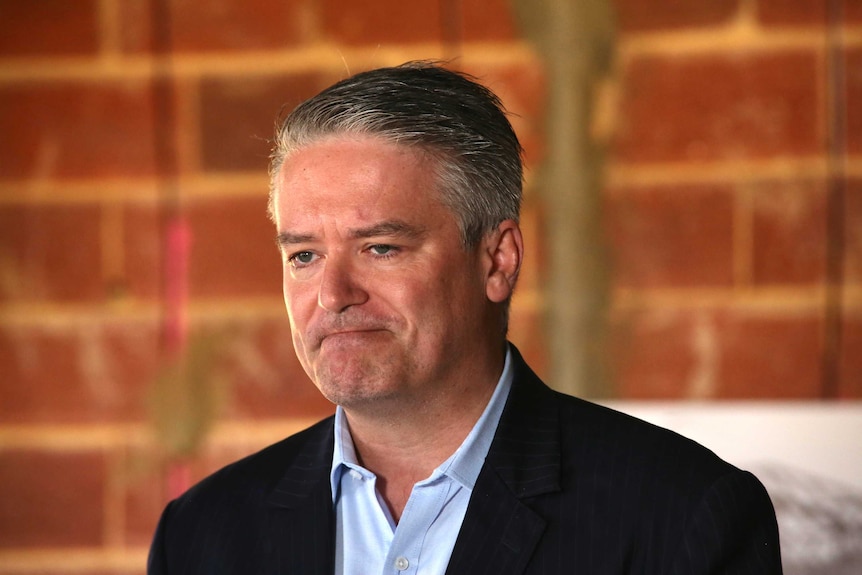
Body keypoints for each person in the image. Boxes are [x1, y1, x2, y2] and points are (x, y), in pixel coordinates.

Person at [148, 62, 782, 574]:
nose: (332, 293)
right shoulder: (203, 535)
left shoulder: (681, 516)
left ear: (497, 260)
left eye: (381, 248)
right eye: (304, 254)